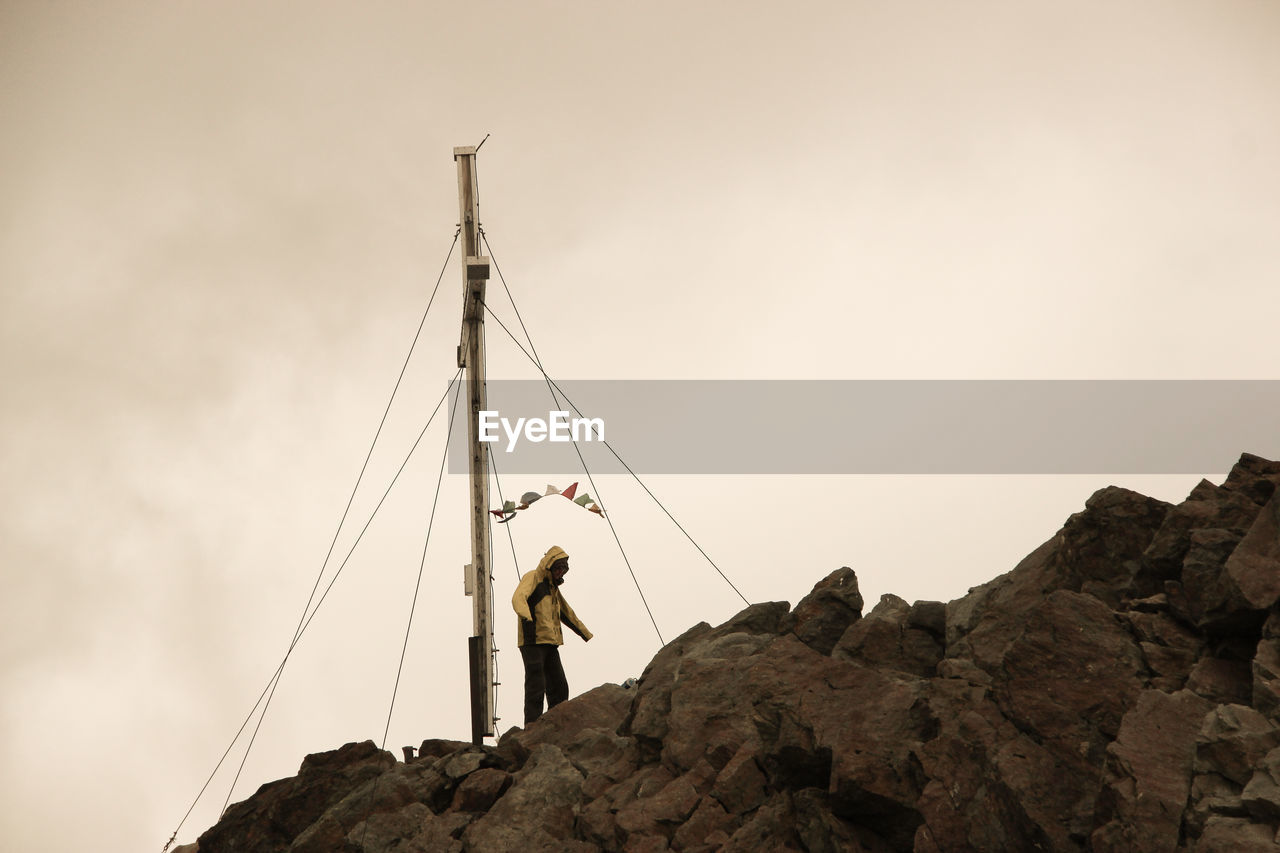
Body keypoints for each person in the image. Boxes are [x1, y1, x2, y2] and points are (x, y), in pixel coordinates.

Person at [511, 545, 592, 725]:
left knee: (559, 687)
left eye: (563, 569)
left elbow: (566, 612)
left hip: (549, 642)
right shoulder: (533, 577)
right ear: (549, 566)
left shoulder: (552, 588)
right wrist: (527, 617)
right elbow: (518, 597)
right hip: (532, 641)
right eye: (558, 568)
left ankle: (554, 726)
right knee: (536, 685)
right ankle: (532, 727)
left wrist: (585, 632)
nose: (560, 572)